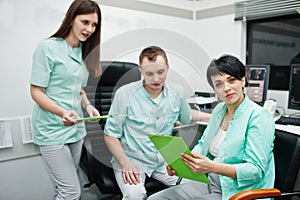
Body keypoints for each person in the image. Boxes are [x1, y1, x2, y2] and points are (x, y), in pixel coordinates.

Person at [148, 55, 275, 200]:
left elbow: (255, 170)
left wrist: (212, 167)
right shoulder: (219, 110)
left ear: (243, 81)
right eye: (219, 84)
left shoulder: (259, 117)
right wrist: (181, 164)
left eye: (231, 80)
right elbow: (202, 146)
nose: (226, 88)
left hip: (240, 191)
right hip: (213, 181)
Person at [103, 46, 211, 200]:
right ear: (141, 71)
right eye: (149, 74)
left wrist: (214, 117)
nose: (155, 79)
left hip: (163, 160)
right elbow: (110, 135)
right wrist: (125, 163)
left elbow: (186, 116)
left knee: (197, 186)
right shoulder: (124, 94)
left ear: (167, 68)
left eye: (160, 72)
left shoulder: (177, 92)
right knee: (135, 195)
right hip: (132, 158)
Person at [29, 1, 101, 199]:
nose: (89, 29)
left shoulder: (83, 52)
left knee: (63, 188)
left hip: (76, 129)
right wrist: (61, 112)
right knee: (71, 191)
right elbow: (36, 91)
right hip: (52, 129)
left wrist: (88, 107)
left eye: (94, 25)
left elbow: (79, 90)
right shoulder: (48, 47)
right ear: (71, 19)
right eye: (85, 22)